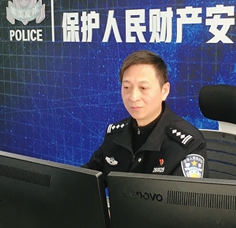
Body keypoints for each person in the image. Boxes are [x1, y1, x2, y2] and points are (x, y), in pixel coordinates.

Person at [84, 50, 208, 180]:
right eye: (127, 87)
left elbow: (185, 193)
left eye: (143, 88)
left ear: (164, 91)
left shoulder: (187, 144)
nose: (133, 97)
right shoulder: (115, 135)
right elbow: (88, 177)